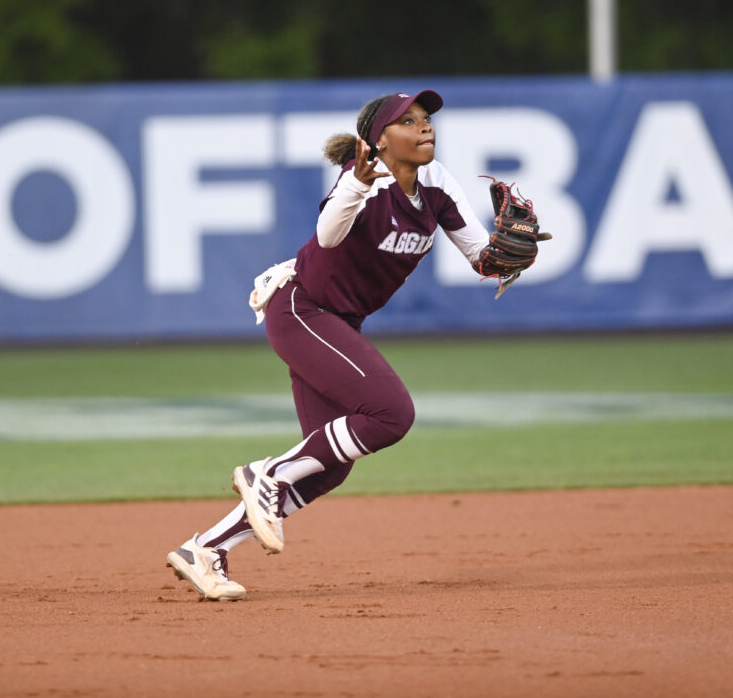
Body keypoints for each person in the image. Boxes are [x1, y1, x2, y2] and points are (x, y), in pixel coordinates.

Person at [166, 89, 546, 600]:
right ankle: (266, 473)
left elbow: (481, 256)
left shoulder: (436, 183)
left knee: (329, 466)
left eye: (426, 119)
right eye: (408, 122)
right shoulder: (362, 178)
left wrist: (507, 256)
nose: (425, 127)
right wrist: (357, 185)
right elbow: (326, 236)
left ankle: (206, 549)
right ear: (380, 140)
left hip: (339, 323)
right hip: (302, 309)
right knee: (391, 413)